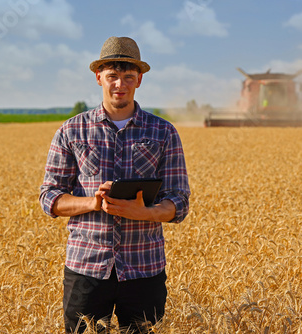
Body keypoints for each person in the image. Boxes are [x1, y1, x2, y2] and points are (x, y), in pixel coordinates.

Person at [39, 36, 190, 333]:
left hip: (144, 267)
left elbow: (180, 200)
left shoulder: (163, 132)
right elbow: (49, 196)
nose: (119, 84)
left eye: (128, 77)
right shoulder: (71, 130)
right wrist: (91, 203)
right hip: (86, 268)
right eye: (112, 77)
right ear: (99, 78)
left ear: (139, 80)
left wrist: (145, 212)